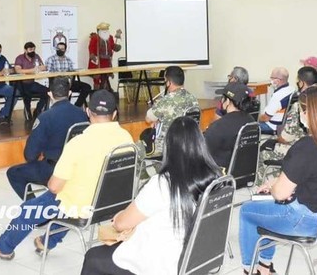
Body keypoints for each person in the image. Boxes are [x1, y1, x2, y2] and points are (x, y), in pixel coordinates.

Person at [0, 90, 133, 260]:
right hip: (112, 205)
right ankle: (46, 242)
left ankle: (2, 247)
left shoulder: (78, 143)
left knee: (31, 209)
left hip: (83, 205)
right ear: (115, 114)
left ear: (88, 112)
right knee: (68, 199)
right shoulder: (126, 137)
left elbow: (54, 186)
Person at [81, 116, 223, 275]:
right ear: (200, 143)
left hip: (162, 263)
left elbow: (121, 224)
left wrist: (120, 216)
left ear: (168, 147)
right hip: (196, 258)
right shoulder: (215, 178)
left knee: (93, 257)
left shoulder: (163, 184)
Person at [239, 86, 317, 275]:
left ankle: (251, 269)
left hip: (304, 219)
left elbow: (281, 194)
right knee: (267, 207)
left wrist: (274, 188)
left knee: (248, 211)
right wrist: (277, 182)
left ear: (308, 114)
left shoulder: (307, 146)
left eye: (301, 111)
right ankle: (265, 267)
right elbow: (314, 175)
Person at [6, 77, 88, 200]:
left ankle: (34, 206)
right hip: (78, 167)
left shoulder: (45, 117)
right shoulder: (82, 114)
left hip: (54, 170)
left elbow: (30, 154)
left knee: (13, 173)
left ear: (49, 94)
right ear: (69, 93)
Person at [258, 67, 317, 179]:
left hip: (301, 148)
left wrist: (276, 138)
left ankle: (263, 188)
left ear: (302, 83)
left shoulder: (301, 104)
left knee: (263, 151)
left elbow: (286, 138)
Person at [145, 66, 198, 156]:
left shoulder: (166, 100)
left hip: (166, 148)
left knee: (139, 148)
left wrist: (157, 119)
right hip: (189, 146)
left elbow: (148, 119)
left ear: (169, 82)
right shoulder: (193, 99)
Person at [204, 82, 255, 169]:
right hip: (243, 172)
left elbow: (203, 151)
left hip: (221, 175)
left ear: (227, 101)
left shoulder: (219, 126)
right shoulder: (251, 121)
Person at [46, 41, 92, 107]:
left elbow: (71, 73)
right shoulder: (51, 59)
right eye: (58, 49)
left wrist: (70, 80)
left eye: (62, 49)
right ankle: (64, 108)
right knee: (65, 88)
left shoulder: (68, 60)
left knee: (87, 87)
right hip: (56, 83)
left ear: (65, 50)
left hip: (67, 82)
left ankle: (76, 106)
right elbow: (48, 73)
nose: (60, 50)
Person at [15, 41, 49, 120]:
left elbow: (43, 67)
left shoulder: (36, 56)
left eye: (33, 49)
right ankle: (27, 112)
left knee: (47, 92)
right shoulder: (20, 58)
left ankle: (37, 111)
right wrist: (32, 70)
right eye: (30, 49)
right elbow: (18, 70)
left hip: (31, 83)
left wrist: (39, 68)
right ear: (25, 50)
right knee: (27, 94)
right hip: (22, 84)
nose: (32, 51)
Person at [258, 67, 295, 135]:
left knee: (245, 127)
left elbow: (266, 118)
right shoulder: (292, 90)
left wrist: (256, 118)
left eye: (272, 78)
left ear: (278, 80)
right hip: (285, 124)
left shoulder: (278, 96)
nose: (270, 80)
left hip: (272, 126)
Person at [88, 22, 122, 90]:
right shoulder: (95, 38)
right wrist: (92, 55)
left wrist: (116, 47)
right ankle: (97, 93)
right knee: (97, 78)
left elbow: (112, 46)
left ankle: (106, 92)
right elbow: (91, 47)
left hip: (106, 62)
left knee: (105, 77)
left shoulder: (110, 37)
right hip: (97, 61)